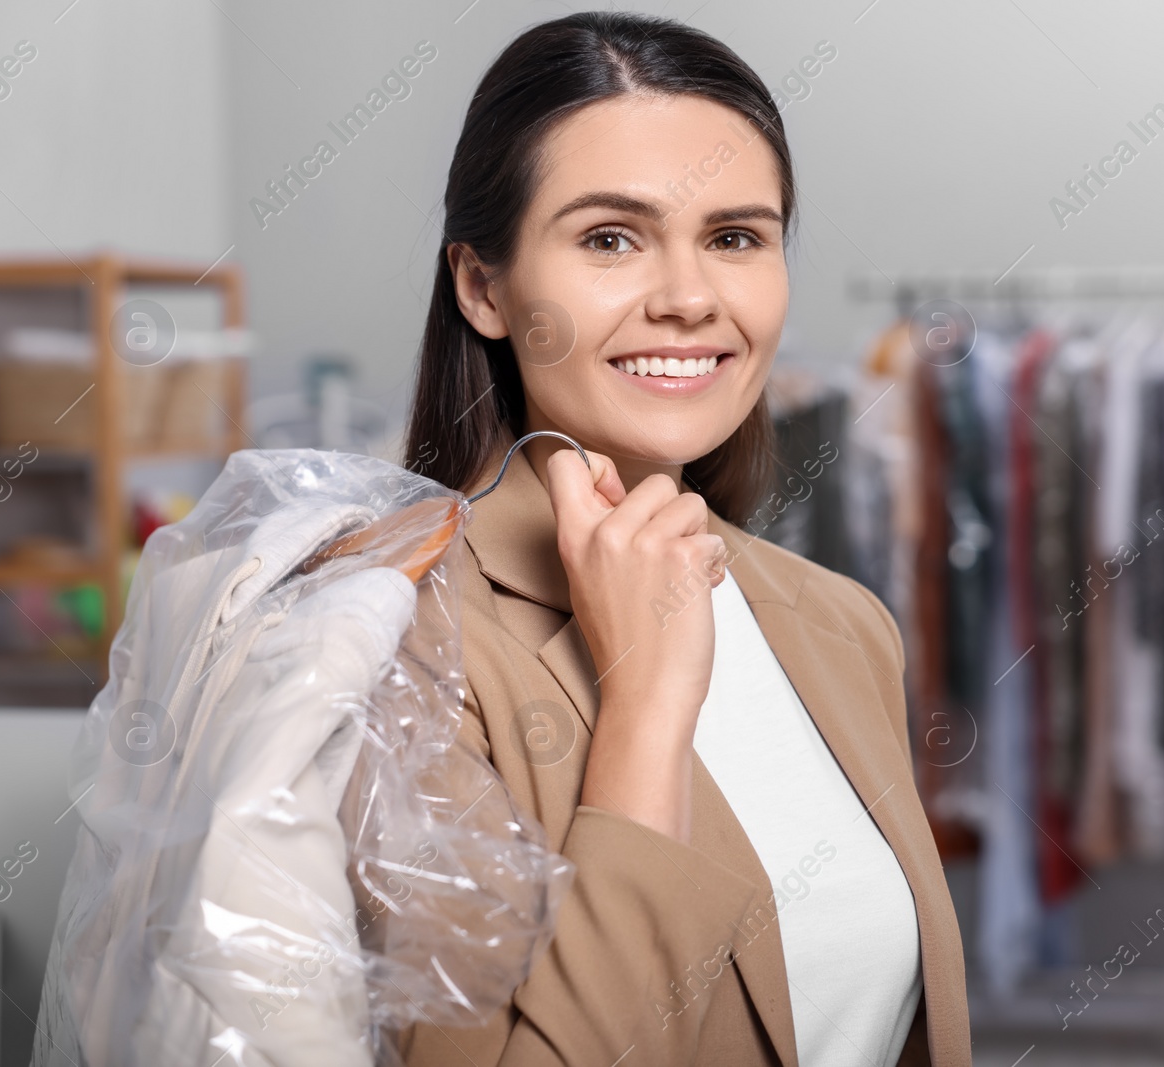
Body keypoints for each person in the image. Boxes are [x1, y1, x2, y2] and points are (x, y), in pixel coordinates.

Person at [395, 11, 969, 1066]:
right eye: (610, 237)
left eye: (734, 237)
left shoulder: (845, 624)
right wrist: (648, 706)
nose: (689, 298)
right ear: (484, 286)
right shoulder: (400, 642)